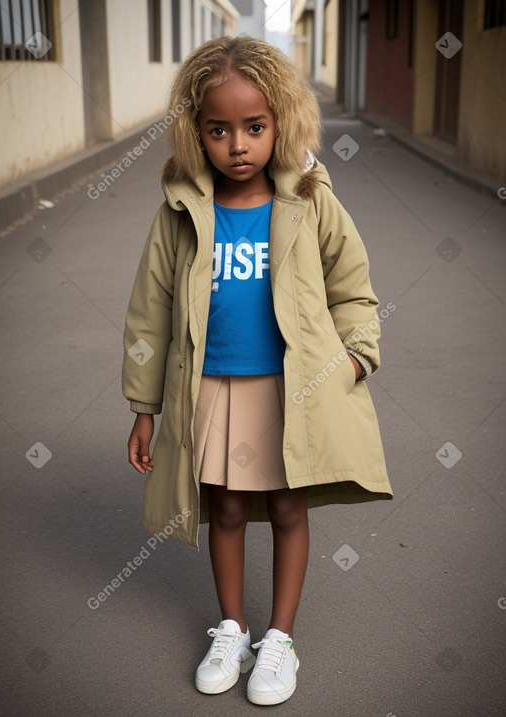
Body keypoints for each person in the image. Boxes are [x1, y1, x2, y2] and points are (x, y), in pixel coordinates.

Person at [122, 35, 393, 706]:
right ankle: (233, 626)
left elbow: (352, 284)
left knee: (290, 504)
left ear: (282, 124)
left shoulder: (308, 198)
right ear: (195, 130)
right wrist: (144, 405)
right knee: (230, 508)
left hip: (289, 388)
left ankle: (280, 638)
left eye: (254, 126)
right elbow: (150, 312)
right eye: (219, 129)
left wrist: (358, 349)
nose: (237, 144)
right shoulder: (181, 212)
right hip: (212, 386)